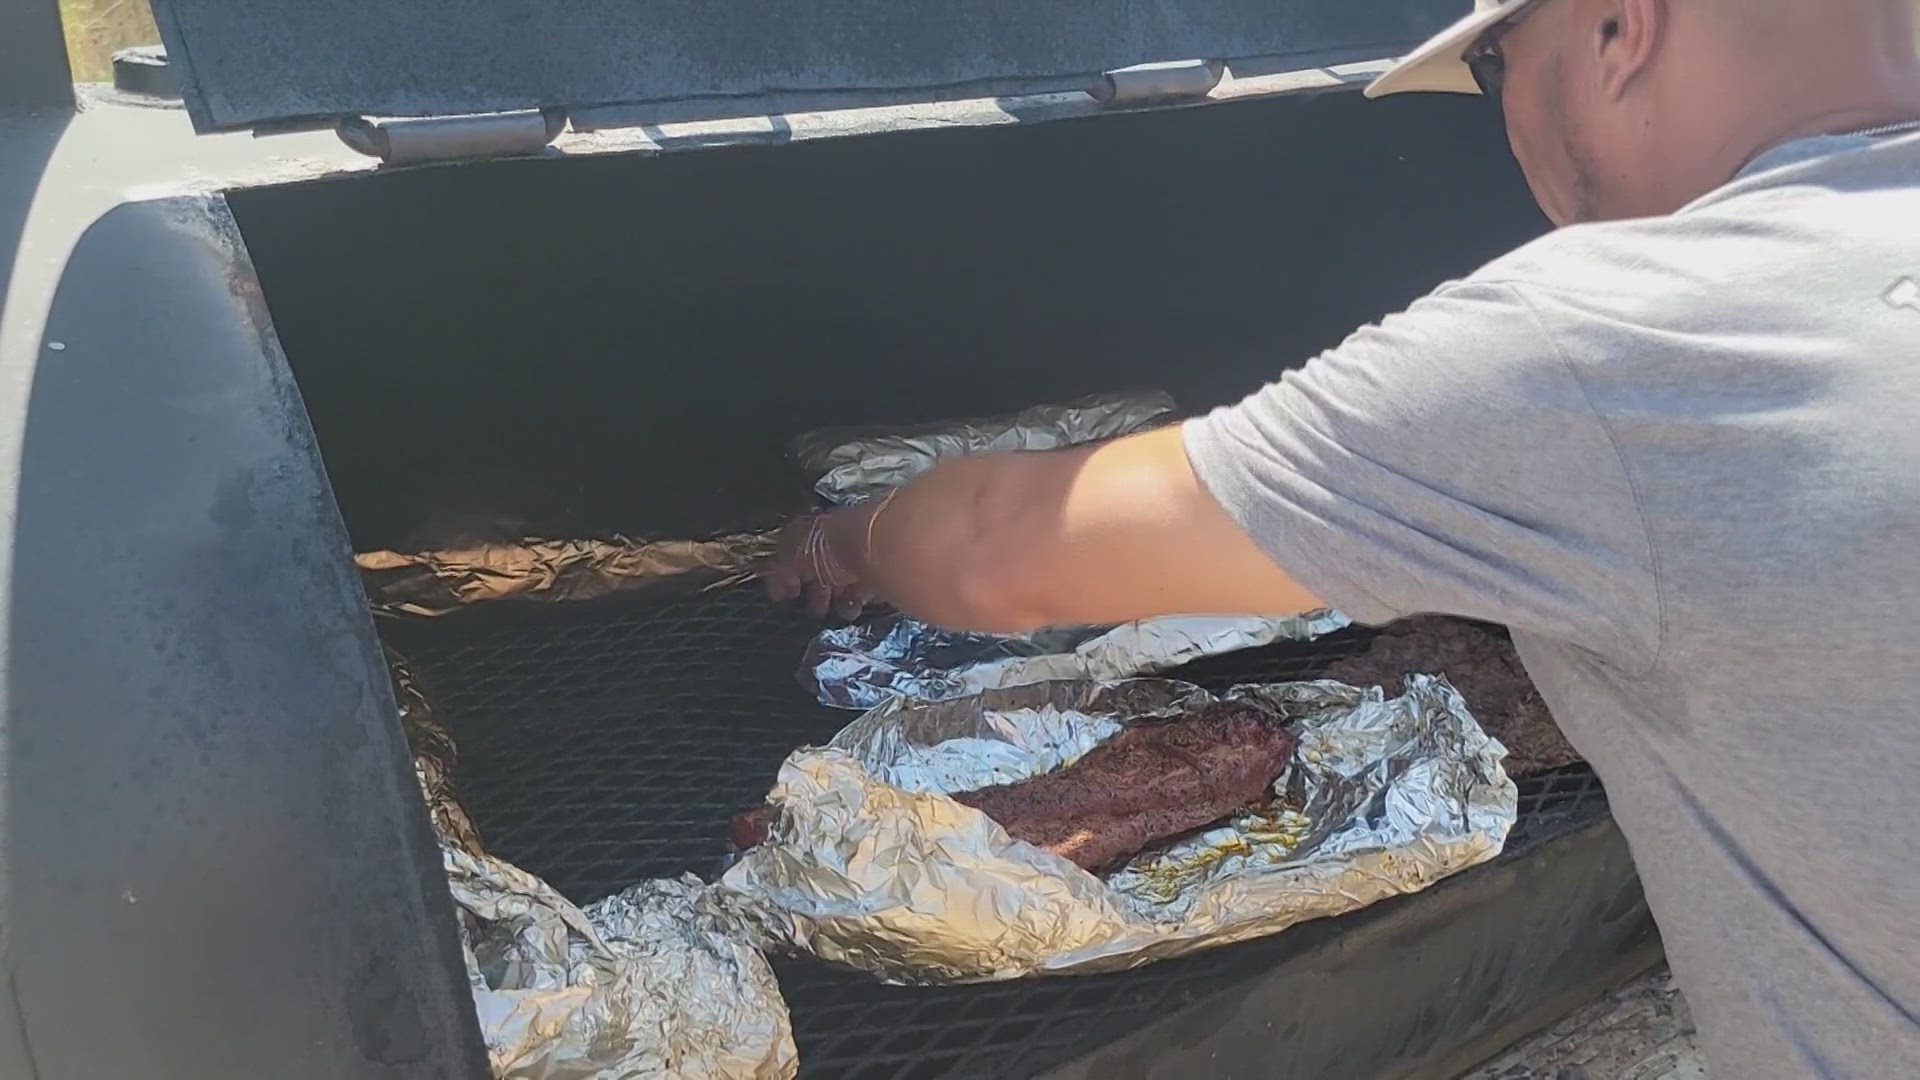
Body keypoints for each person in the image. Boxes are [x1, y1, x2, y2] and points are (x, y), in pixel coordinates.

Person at [764, 1, 1920, 1075]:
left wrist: (849, 537)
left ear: (1621, 27)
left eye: (1492, 63)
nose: (1501, 120)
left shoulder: (1624, 339)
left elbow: (997, 550)